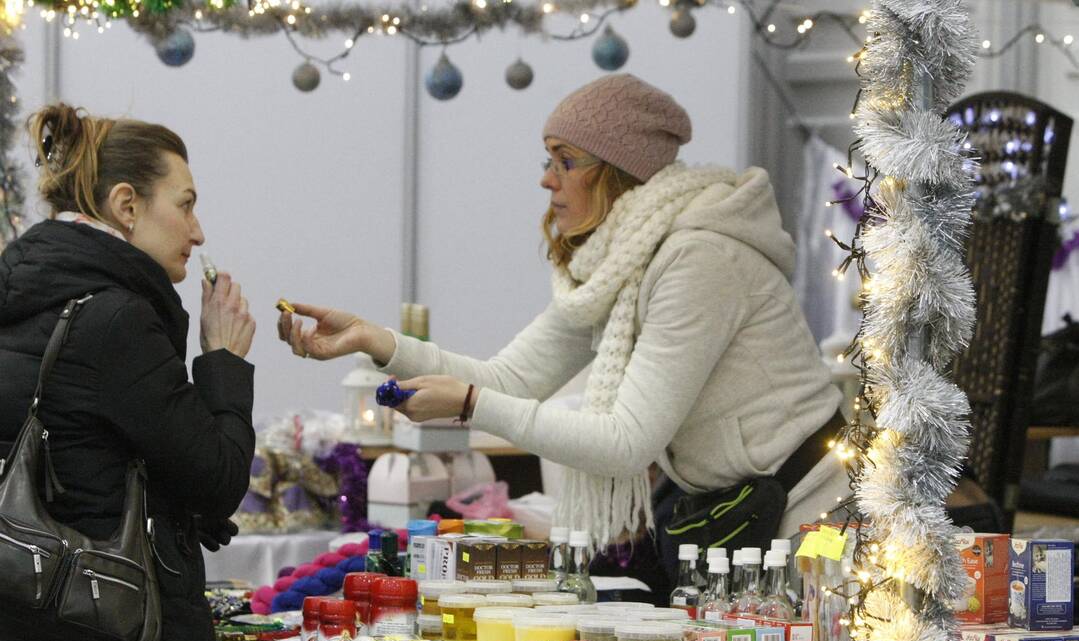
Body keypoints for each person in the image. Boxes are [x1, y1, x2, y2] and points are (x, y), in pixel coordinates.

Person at [277, 74, 847, 595]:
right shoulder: (623, 259)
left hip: (807, 518)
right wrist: (376, 342)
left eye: (565, 160)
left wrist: (473, 405)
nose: (547, 179)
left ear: (617, 170)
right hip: (740, 516)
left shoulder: (700, 257)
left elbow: (626, 440)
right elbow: (512, 378)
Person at [0, 104, 256, 641]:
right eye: (186, 205)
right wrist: (222, 361)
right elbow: (216, 478)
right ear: (127, 205)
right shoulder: (116, 322)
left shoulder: (26, 298)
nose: (197, 232)